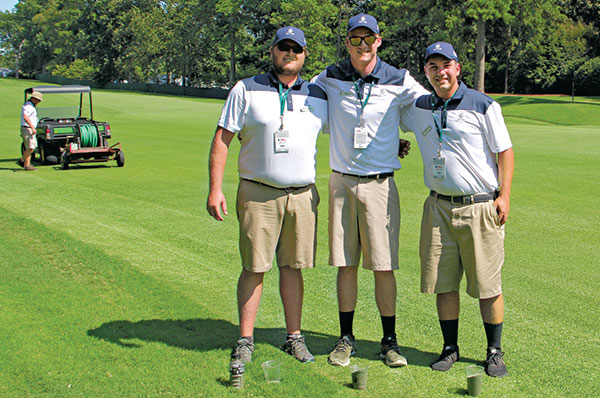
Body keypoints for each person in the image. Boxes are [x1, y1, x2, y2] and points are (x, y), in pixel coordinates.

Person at [312, 13, 428, 368]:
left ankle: (389, 342)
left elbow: (429, 105)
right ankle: (345, 338)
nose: (363, 45)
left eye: (369, 38)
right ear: (347, 42)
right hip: (341, 183)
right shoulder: (330, 77)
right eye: (355, 39)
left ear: (379, 40)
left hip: (380, 185)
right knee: (345, 264)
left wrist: (396, 140)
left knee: (383, 266)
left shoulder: (399, 79)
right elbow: (301, 102)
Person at [206, 26, 327, 364]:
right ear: (273, 51)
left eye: (296, 49)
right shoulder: (245, 89)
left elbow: (346, 131)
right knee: (255, 267)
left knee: (293, 267)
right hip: (258, 193)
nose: (290, 54)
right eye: (283, 47)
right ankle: (246, 338)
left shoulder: (317, 95)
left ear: (304, 55)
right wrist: (215, 189)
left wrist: (394, 144)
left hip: (302, 195)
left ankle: (294, 337)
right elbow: (222, 139)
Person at [399, 42, 514, 377]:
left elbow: (504, 150)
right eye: (433, 67)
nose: (440, 73)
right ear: (427, 73)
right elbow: (384, 118)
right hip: (437, 207)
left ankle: (494, 351)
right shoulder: (420, 105)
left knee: (487, 285)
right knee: (443, 283)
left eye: (445, 65)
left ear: (458, 68)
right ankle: (450, 348)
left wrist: (504, 195)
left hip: (479, 206)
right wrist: (396, 143)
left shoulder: (482, 105)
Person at [19, 91, 43, 171]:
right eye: (38, 100)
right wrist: (32, 127)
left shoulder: (31, 105)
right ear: (34, 99)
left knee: (31, 147)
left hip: (28, 128)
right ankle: (26, 164)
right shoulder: (29, 106)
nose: (39, 102)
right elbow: (26, 116)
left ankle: (23, 161)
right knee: (30, 147)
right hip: (27, 128)